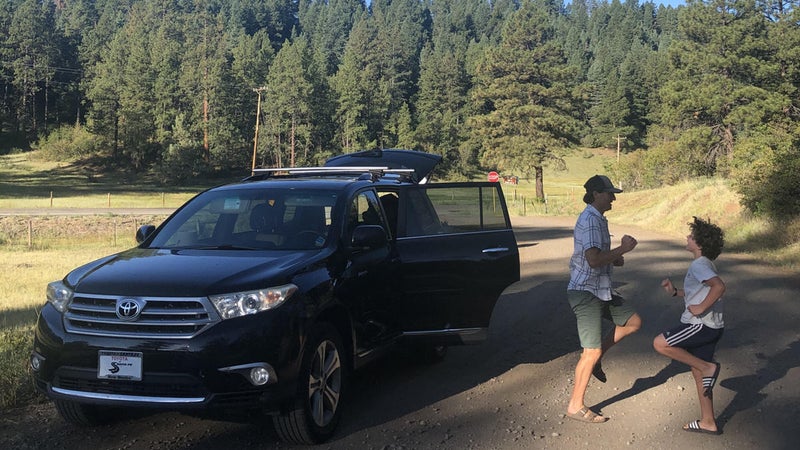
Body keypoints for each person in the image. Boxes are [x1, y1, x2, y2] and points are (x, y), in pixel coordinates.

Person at [566, 175, 642, 423]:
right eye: (609, 193)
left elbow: (599, 256)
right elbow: (593, 260)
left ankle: (598, 359)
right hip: (586, 292)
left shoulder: (598, 219)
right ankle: (575, 406)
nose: (613, 198)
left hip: (601, 290)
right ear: (596, 194)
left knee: (633, 322)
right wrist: (623, 249)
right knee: (590, 351)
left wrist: (615, 258)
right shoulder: (589, 220)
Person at [654, 216, 726, 435]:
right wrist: (675, 292)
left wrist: (702, 307)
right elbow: (700, 291)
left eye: (691, 235)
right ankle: (708, 422)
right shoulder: (705, 264)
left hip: (700, 324)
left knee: (660, 344)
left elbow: (719, 287)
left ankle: (708, 368)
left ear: (700, 244)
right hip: (713, 326)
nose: (687, 237)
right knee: (698, 372)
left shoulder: (699, 264)